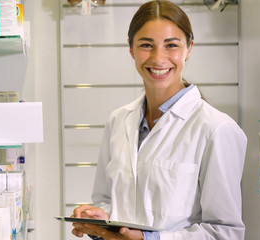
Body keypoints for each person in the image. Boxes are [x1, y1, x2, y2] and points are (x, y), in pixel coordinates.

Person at [71, 0, 247, 239]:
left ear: (189, 48)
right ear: (131, 49)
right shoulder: (119, 120)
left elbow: (225, 232)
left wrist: (149, 239)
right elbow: (107, 200)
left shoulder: (217, 129)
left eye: (171, 45)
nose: (158, 58)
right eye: (146, 45)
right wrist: (99, 220)